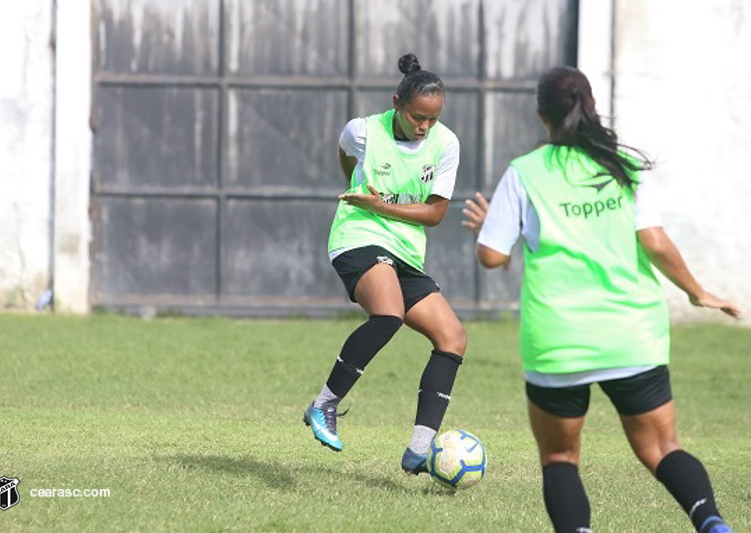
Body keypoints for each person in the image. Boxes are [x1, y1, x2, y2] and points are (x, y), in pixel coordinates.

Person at [463, 66, 742, 533]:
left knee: (559, 457)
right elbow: (653, 241)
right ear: (591, 107)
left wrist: (498, 232)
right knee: (662, 448)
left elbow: (492, 255)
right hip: (632, 334)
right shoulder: (620, 166)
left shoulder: (524, 173)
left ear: (541, 116)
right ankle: (711, 522)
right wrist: (696, 292)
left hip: (558, 339)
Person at [303, 53, 466, 475]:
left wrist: (381, 204)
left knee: (452, 337)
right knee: (388, 313)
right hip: (358, 237)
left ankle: (419, 449)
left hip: (406, 251)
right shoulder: (363, 131)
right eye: (417, 117)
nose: (423, 126)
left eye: (431, 119)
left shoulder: (446, 144)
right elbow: (346, 155)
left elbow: (435, 213)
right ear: (396, 102)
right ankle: (324, 404)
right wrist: (360, 190)